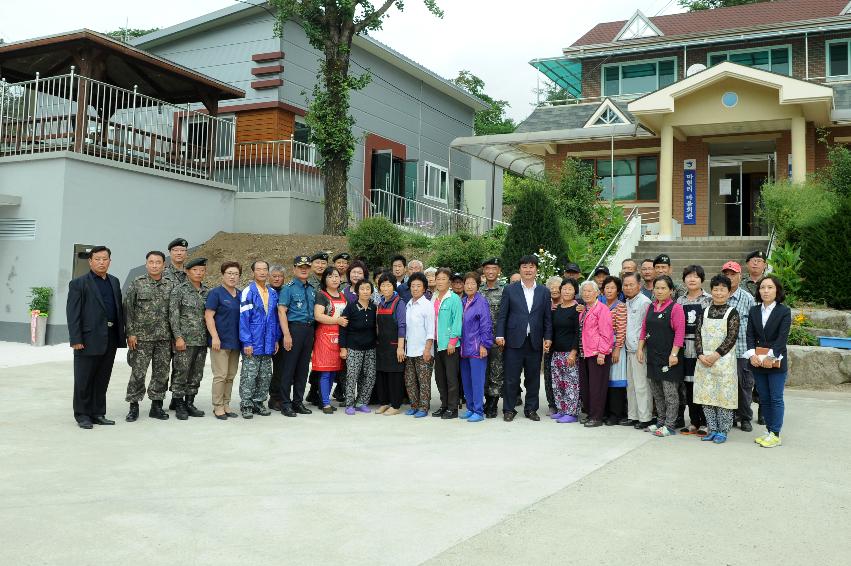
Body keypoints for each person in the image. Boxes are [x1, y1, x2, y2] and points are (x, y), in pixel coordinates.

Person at [67, 246, 126, 429]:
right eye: (97, 259)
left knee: (102, 378)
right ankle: (82, 414)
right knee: (84, 378)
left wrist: (121, 334)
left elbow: (118, 310)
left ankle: (98, 413)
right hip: (87, 338)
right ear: (90, 261)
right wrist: (76, 339)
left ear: (110, 261)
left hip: (110, 337)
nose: (101, 262)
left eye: (105, 259)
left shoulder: (114, 282)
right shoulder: (79, 283)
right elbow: (73, 313)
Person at [495, 255, 553, 422]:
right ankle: (508, 409)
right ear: (520, 269)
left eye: (531, 267)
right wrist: (500, 334)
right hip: (513, 340)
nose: (528, 270)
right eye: (525, 267)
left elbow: (547, 318)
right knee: (511, 377)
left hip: (534, 341)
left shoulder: (544, 291)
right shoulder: (510, 289)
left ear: (536, 270)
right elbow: (503, 316)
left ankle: (531, 409)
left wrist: (548, 337)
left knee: (533, 378)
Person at [123, 250, 173, 422]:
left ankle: (156, 406)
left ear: (163, 265)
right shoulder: (137, 283)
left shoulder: (170, 285)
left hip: (164, 338)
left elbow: (173, 312)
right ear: (146, 264)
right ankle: (133, 406)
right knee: (138, 373)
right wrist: (130, 333)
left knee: (161, 373)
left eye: (158, 262)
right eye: (151, 262)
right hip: (141, 338)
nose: (154, 265)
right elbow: (128, 310)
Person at [693, 274, 740, 444]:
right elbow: (697, 334)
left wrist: (715, 355)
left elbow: (731, 338)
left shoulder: (732, 313)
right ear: (711, 291)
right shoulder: (704, 311)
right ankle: (712, 429)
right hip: (704, 361)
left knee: (723, 397)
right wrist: (700, 355)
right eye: (716, 289)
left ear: (729, 292)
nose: (719, 293)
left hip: (723, 361)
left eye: (723, 289)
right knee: (707, 396)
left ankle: (723, 430)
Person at [746, 275, 791, 448]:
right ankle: (769, 430)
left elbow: (782, 339)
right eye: (762, 287)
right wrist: (752, 355)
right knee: (764, 397)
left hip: (776, 361)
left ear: (777, 290)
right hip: (758, 361)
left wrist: (770, 358)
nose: (765, 291)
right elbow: (750, 335)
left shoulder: (784, 311)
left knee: (776, 398)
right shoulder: (754, 311)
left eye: (770, 287)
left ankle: (776, 434)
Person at [638, 275, 685, 437]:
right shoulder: (651, 307)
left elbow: (680, 333)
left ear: (671, 291)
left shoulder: (675, 308)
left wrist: (674, 354)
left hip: (669, 357)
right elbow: (644, 329)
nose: (659, 291)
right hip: (652, 355)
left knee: (670, 393)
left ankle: (670, 425)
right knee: (657, 392)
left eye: (663, 288)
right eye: (657, 288)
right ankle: (660, 421)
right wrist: (639, 349)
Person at [237, 260, 280, 420]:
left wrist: (275, 339)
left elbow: (275, 319)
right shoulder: (248, 292)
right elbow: (243, 319)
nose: (262, 272)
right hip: (253, 342)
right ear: (253, 272)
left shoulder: (273, 293)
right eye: (259, 269)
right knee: (249, 375)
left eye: (264, 269)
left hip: (268, 342)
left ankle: (259, 402)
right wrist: (246, 342)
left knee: (265, 375)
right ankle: (246, 404)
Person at [169, 257, 210, 421]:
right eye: (195, 270)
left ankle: (190, 402)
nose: (199, 273)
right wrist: (178, 337)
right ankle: (178, 404)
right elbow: (173, 316)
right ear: (187, 271)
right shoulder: (179, 290)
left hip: (201, 340)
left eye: (202, 270)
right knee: (181, 372)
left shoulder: (207, 291)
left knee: (196, 374)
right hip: (184, 341)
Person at [277, 255, 316, 417]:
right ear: (294, 269)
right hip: (294, 330)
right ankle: (285, 404)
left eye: (306, 267)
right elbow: (281, 311)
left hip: (309, 330)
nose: (304, 269)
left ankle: (298, 402)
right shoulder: (288, 288)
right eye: (300, 267)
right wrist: (286, 334)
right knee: (288, 369)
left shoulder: (312, 289)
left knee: (302, 369)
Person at [205, 261, 243, 420]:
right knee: (220, 375)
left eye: (235, 274)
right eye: (229, 273)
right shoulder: (216, 293)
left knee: (231, 375)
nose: (232, 277)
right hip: (220, 342)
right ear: (223, 275)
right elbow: (208, 316)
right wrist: (214, 336)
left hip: (236, 341)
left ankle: (226, 403)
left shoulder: (241, 294)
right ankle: (218, 406)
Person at [677, 265, 712, 435]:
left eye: (696, 276)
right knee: (688, 387)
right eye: (688, 276)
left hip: (702, 350)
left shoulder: (709, 300)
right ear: (684, 280)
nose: (692, 279)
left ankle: (706, 422)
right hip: (684, 349)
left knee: (702, 386)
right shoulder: (680, 301)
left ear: (702, 280)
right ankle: (693, 422)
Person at [722, 260, 756, 432]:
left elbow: (755, 325)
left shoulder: (748, 298)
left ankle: (745, 417)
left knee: (744, 386)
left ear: (740, 276)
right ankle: (730, 416)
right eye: (726, 274)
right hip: (721, 352)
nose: (729, 277)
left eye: (733, 274)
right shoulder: (718, 296)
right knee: (725, 385)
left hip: (742, 350)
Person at [312, 266, 349, 414]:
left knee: (334, 371)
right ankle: (325, 403)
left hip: (339, 337)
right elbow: (318, 316)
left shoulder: (342, 295)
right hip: (325, 337)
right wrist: (337, 320)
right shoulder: (321, 295)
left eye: (336, 276)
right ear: (324, 279)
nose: (334, 279)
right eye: (330, 276)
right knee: (326, 372)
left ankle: (325, 399)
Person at [576, 280, 613, 428]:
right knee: (587, 386)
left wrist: (602, 353)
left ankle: (597, 417)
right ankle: (590, 413)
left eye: (590, 291)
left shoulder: (602, 309)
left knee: (597, 386)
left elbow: (607, 333)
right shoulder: (584, 309)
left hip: (598, 353)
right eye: (584, 291)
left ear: (597, 293)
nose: (586, 293)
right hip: (584, 352)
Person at [339, 280, 378, 414]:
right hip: (353, 347)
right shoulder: (350, 307)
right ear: (357, 292)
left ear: (371, 291)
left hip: (371, 348)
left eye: (368, 289)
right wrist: (343, 348)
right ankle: (349, 404)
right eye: (362, 289)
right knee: (352, 376)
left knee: (370, 375)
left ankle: (362, 402)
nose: (365, 291)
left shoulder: (374, 308)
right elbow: (343, 328)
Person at [460, 272, 494, 423]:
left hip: (476, 348)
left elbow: (486, 324)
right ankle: (470, 408)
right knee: (466, 380)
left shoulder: (481, 301)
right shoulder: (462, 301)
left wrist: (484, 344)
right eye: (467, 283)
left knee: (477, 381)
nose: (469, 286)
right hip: (464, 348)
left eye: (472, 283)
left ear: (477, 285)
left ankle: (479, 411)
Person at [622, 272, 653, 429]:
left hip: (640, 350)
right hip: (629, 349)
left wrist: (641, 347)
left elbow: (646, 328)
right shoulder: (627, 302)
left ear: (639, 285)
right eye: (625, 285)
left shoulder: (644, 302)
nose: (628, 288)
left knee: (642, 385)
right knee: (631, 385)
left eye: (631, 284)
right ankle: (633, 416)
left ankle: (645, 417)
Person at [432, 268, 463, 419]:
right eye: (438, 279)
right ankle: (444, 405)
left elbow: (458, 321)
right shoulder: (434, 298)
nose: (440, 281)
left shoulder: (454, 299)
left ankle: (453, 408)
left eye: (443, 279)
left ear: (449, 282)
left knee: (451, 378)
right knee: (440, 378)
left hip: (450, 345)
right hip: (437, 344)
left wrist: (452, 341)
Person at [374, 273, 407, 416]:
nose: (386, 288)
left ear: (394, 286)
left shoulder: (399, 303)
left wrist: (400, 347)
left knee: (395, 377)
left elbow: (402, 326)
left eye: (388, 285)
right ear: (379, 288)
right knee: (382, 376)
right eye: (383, 285)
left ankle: (395, 404)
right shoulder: (380, 303)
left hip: (394, 345)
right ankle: (384, 402)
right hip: (381, 345)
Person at [549, 278, 581, 423]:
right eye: (564, 288)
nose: (566, 291)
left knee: (571, 384)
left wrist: (574, 352)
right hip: (556, 352)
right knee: (558, 383)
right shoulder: (557, 309)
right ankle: (561, 410)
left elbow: (577, 332)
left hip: (570, 353)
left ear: (575, 292)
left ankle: (571, 413)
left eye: (570, 289)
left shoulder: (577, 309)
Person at [403, 273, 434, 417]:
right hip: (410, 350)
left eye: (418, 286)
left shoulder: (427, 305)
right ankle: (414, 405)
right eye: (413, 286)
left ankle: (423, 407)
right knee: (410, 380)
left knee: (424, 381)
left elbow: (430, 330)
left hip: (423, 350)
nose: (415, 289)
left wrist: (427, 349)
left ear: (424, 289)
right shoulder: (408, 304)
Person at [163, 237, 188, 410]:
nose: (179, 253)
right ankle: (157, 401)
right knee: (162, 368)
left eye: (182, 250)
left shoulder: (190, 275)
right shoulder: (162, 273)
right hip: (163, 329)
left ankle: (177, 399)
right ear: (170, 253)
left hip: (183, 330)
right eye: (176, 250)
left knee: (181, 367)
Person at [479, 258, 505, 418]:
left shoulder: (505, 290)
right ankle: (485, 400)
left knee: (496, 371)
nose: (490, 271)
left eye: (493, 268)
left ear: (499, 271)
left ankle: (493, 404)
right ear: (483, 271)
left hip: (497, 339)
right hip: (481, 340)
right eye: (487, 268)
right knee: (483, 371)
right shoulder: (478, 290)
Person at [601, 276, 628, 426]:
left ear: (618, 290)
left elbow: (622, 330)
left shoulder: (621, 306)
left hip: (616, 347)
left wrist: (617, 349)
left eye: (612, 288)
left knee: (616, 381)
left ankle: (616, 414)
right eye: (607, 288)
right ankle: (606, 412)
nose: (609, 290)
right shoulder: (601, 305)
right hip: (603, 348)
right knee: (606, 380)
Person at [543, 275, 563, 416]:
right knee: (549, 375)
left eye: (557, 287)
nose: (554, 290)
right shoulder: (545, 305)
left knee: (564, 376)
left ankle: (565, 403)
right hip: (548, 344)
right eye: (551, 287)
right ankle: (552, 404)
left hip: (564, 345)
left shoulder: (570, 303)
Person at [268, 264, 287, 411]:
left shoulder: (286, 291)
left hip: (282, 335)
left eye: (280, 276)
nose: (277, 278)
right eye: (274, 276)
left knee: (281, 369)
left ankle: (278, 398)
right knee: (264, 369)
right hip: (266, 335)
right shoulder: (265, 291)